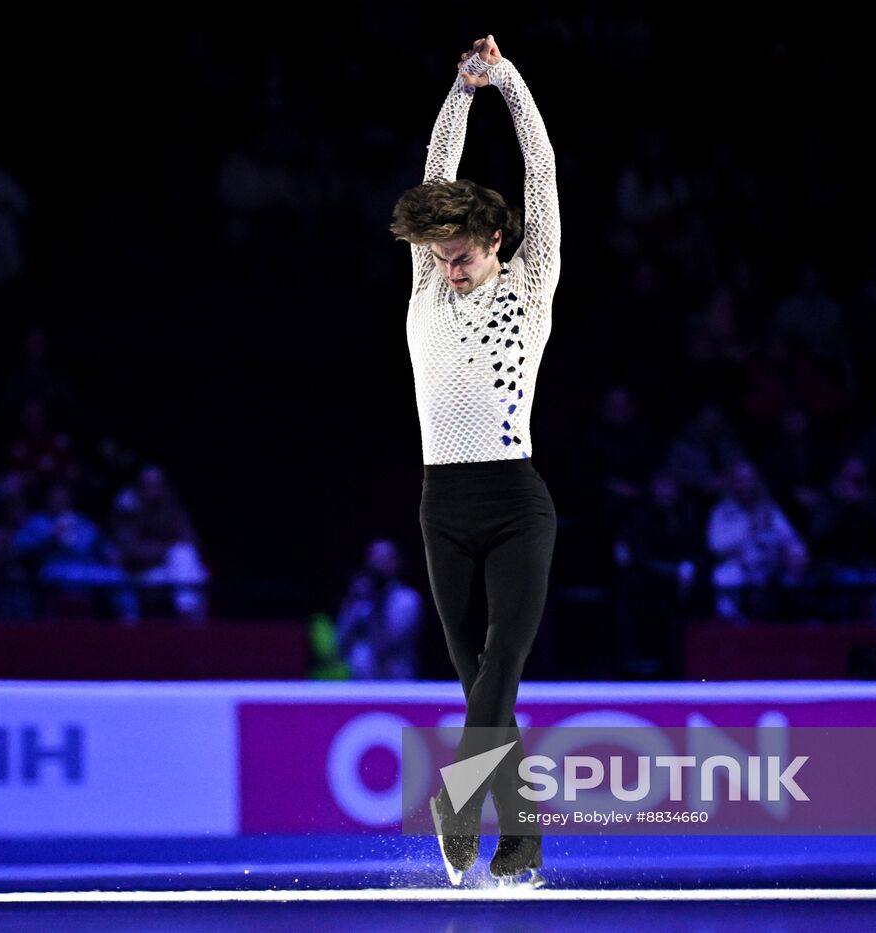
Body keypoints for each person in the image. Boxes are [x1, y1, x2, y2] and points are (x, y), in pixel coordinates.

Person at [389, 33, 559, 888]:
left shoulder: (530, 286)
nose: (447, 266)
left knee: (502, 664)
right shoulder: (427, 281)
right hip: (442, 507)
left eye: (461, 252)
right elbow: (435, 171)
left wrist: (510, 82)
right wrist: (461, 88)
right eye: (438, 252)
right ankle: (521, 840)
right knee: (477, 681)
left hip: (517, 501)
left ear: (496, 238)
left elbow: (541, 170)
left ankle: (460, 805)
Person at [335, 539, 424, 679]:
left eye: (384, 558)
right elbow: (339, 647)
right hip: (361, 682)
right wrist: (351, 602)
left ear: (397, 562)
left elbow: (388, 642)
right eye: (374, 558)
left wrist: (377, 601)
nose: (378, 565)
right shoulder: (359, 600)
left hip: (396, 682)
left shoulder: (407, 599)